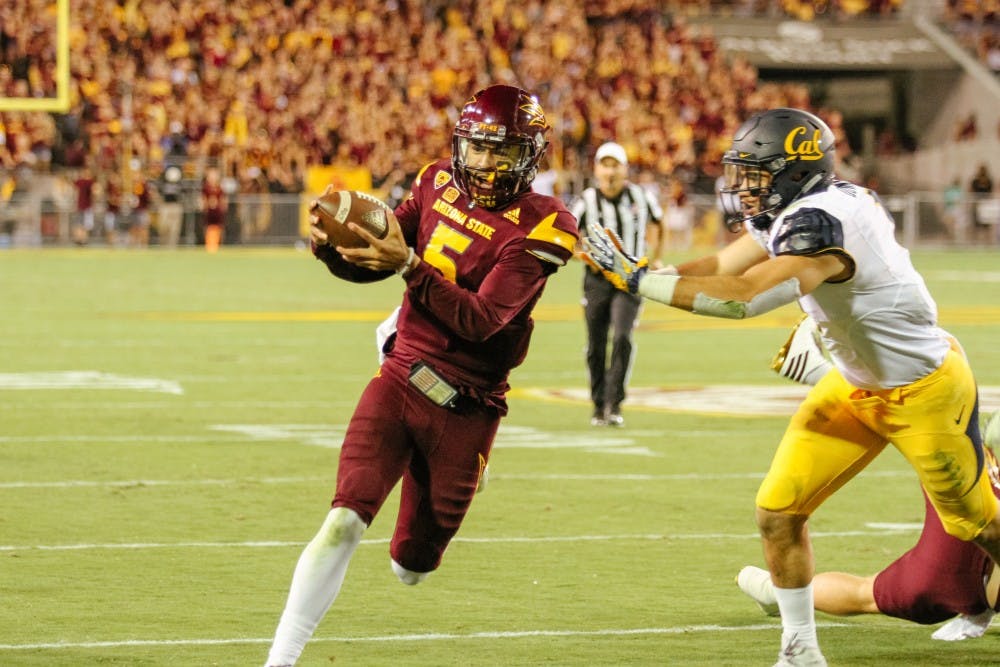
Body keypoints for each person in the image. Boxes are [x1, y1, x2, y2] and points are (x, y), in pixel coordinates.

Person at [582, 107, 1000, 667]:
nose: (743, 186)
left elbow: (743, 296)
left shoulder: (821, 222)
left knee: (976, 522)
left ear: (793, 171)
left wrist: (639, 282)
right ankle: (799, 650)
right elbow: (724, 262)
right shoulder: (801, 208)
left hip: (924, 390)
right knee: (777, 511)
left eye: (756, 173)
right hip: (856, 385)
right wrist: (649, 270)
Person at [264, 84, 578, 667]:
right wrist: (337, 249)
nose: (484, 163)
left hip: (469, 403)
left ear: (529, 156)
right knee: (342, 520)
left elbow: (482, 319)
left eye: (501, 152)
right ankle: (280, 659)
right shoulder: (435, 181)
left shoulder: (547, 225)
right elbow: (385, 252)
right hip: (402, 371)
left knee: (410, 566)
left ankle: (453, 474)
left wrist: (409, 267)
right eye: (477, 148)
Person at [740, 319, 1000, 642]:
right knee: (939, 368)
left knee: (940, 372)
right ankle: (774, 589)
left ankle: (777, 589)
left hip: (960, 566)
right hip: (977, 523)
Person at [571, 141, 663, 427]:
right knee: (596, 344)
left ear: (625, 170)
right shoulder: (587, 200)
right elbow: (567, 235)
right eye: (605, 165)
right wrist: (585, 256)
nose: (610, 171)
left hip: (630, 279)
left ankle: (614, 403)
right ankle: (599, 404)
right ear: (596, 169)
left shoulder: (640, 196)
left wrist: (655, 257)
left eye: (615, 165)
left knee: (623, 337)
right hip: (597, 280)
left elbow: (659, 222)